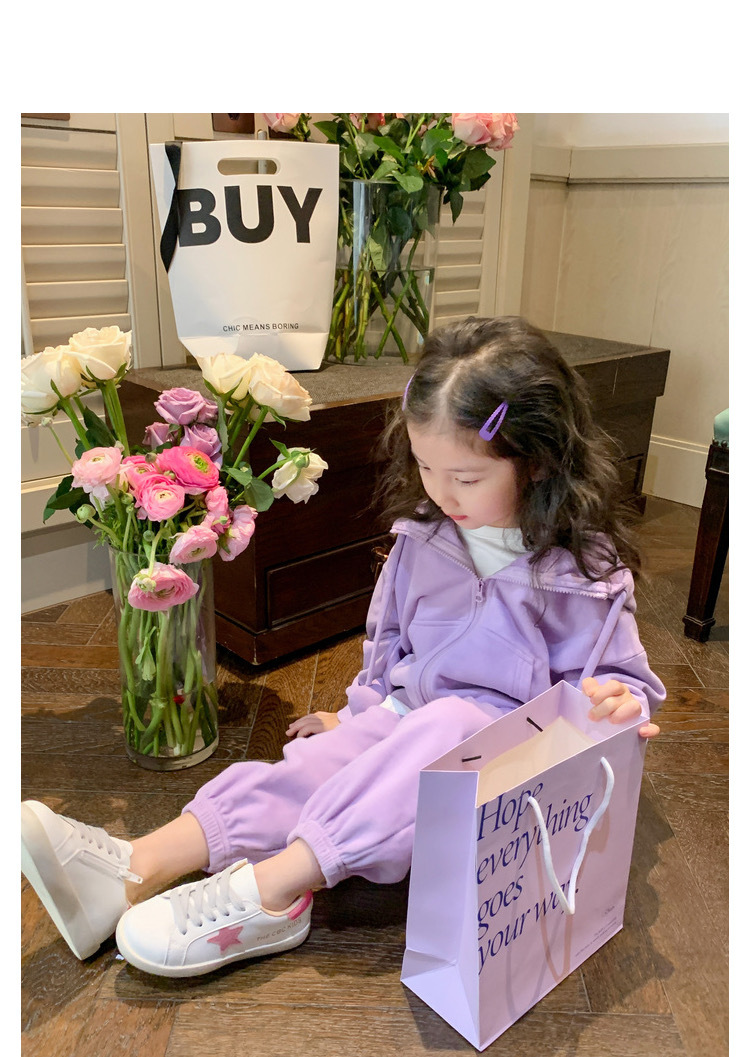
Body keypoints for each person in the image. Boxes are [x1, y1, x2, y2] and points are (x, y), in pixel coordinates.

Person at [21, 316, 665, 979]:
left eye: (467, 477)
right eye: (426, 467)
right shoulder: (424, 539)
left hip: (512, 764)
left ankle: (274, 889)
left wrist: (618, 704)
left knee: (451, 723)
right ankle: (137, 866)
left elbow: (627, 684)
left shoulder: (584, 574)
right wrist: (358, 716)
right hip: (414, 721)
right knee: (319, 761)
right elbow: (390, 645)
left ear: (538, 460)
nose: (442, 492)